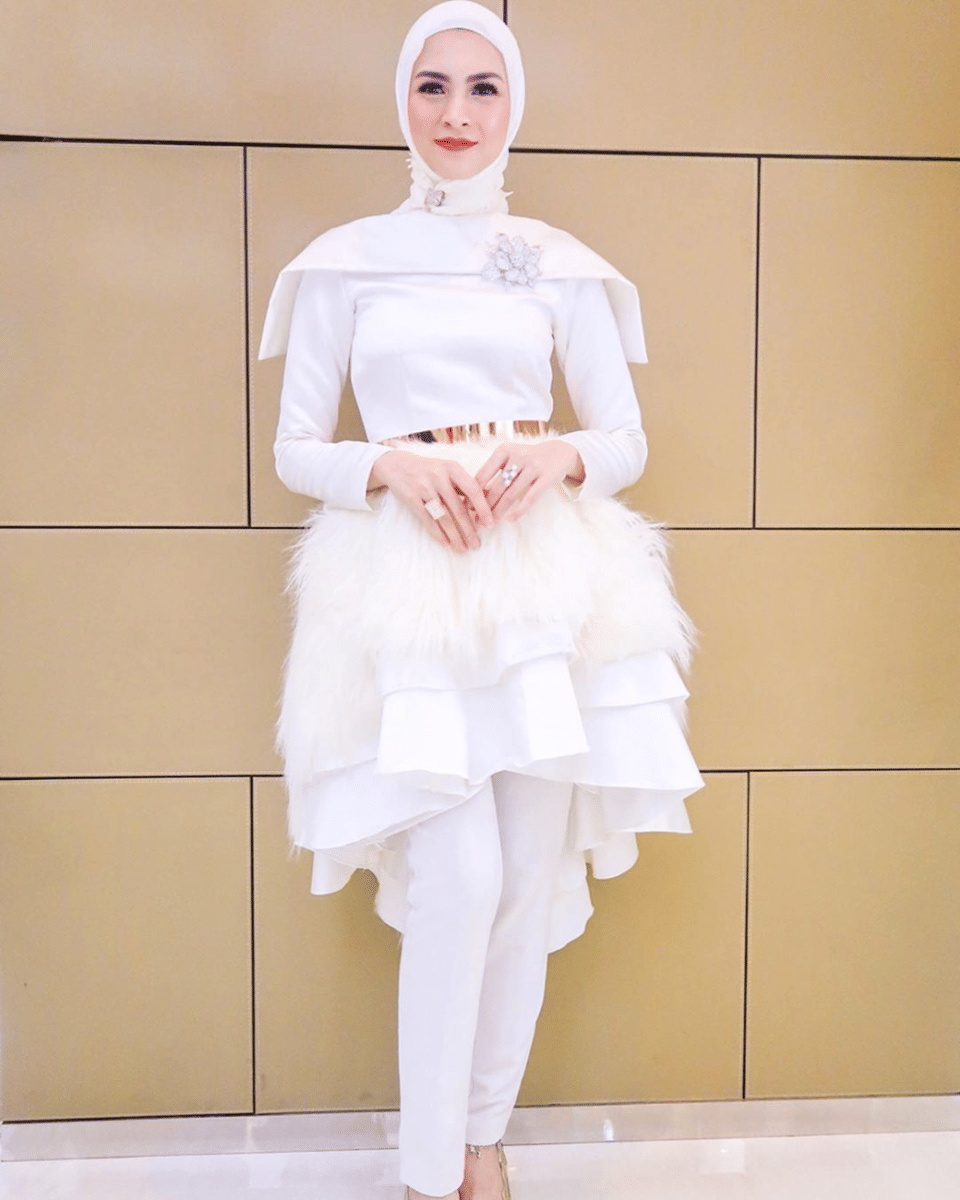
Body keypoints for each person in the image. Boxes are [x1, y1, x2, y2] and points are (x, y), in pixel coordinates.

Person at [259, 4, 703, 1197]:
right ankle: (424, 1168)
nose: (457, 114)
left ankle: (479, 1144)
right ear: (403, 101)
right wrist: (387, 466)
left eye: (484, 88)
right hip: (407, 583)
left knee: (519, 880)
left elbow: (623, 439)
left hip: (542, 584)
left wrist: (554, 455)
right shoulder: (344, 261)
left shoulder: (559, 261)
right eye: (434, 87)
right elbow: (296, 447)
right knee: (455, 881)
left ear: (515, 107)